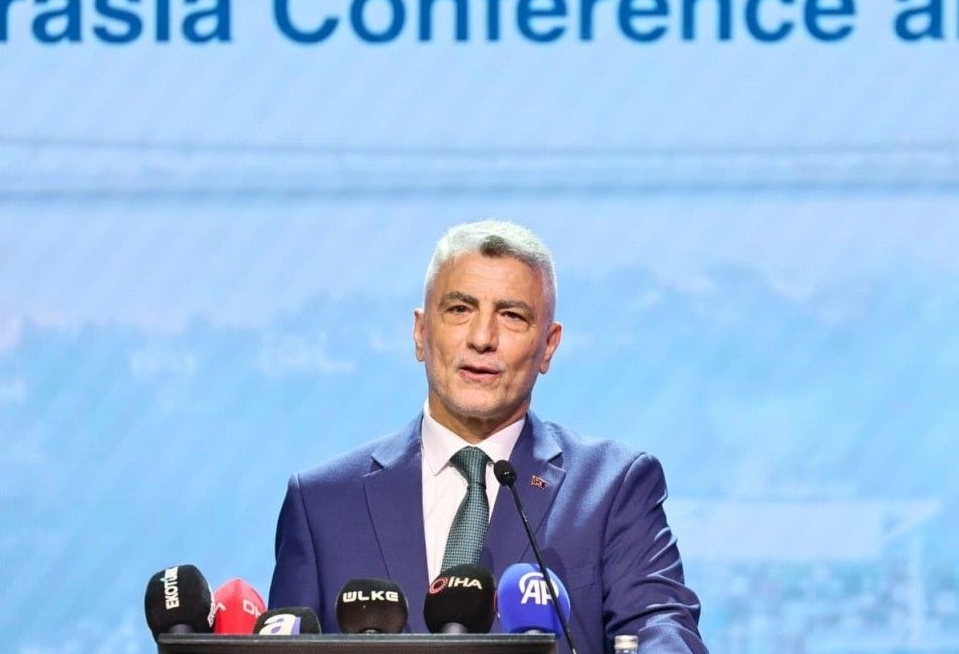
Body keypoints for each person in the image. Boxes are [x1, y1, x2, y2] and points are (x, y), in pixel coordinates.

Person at [268, 220, 706, 653]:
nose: (482, 338)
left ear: (548, 346)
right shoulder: (321, 504)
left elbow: (664, 632)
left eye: (512, 316)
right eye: (460, 309)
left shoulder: (612, 488)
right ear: (421, 332)